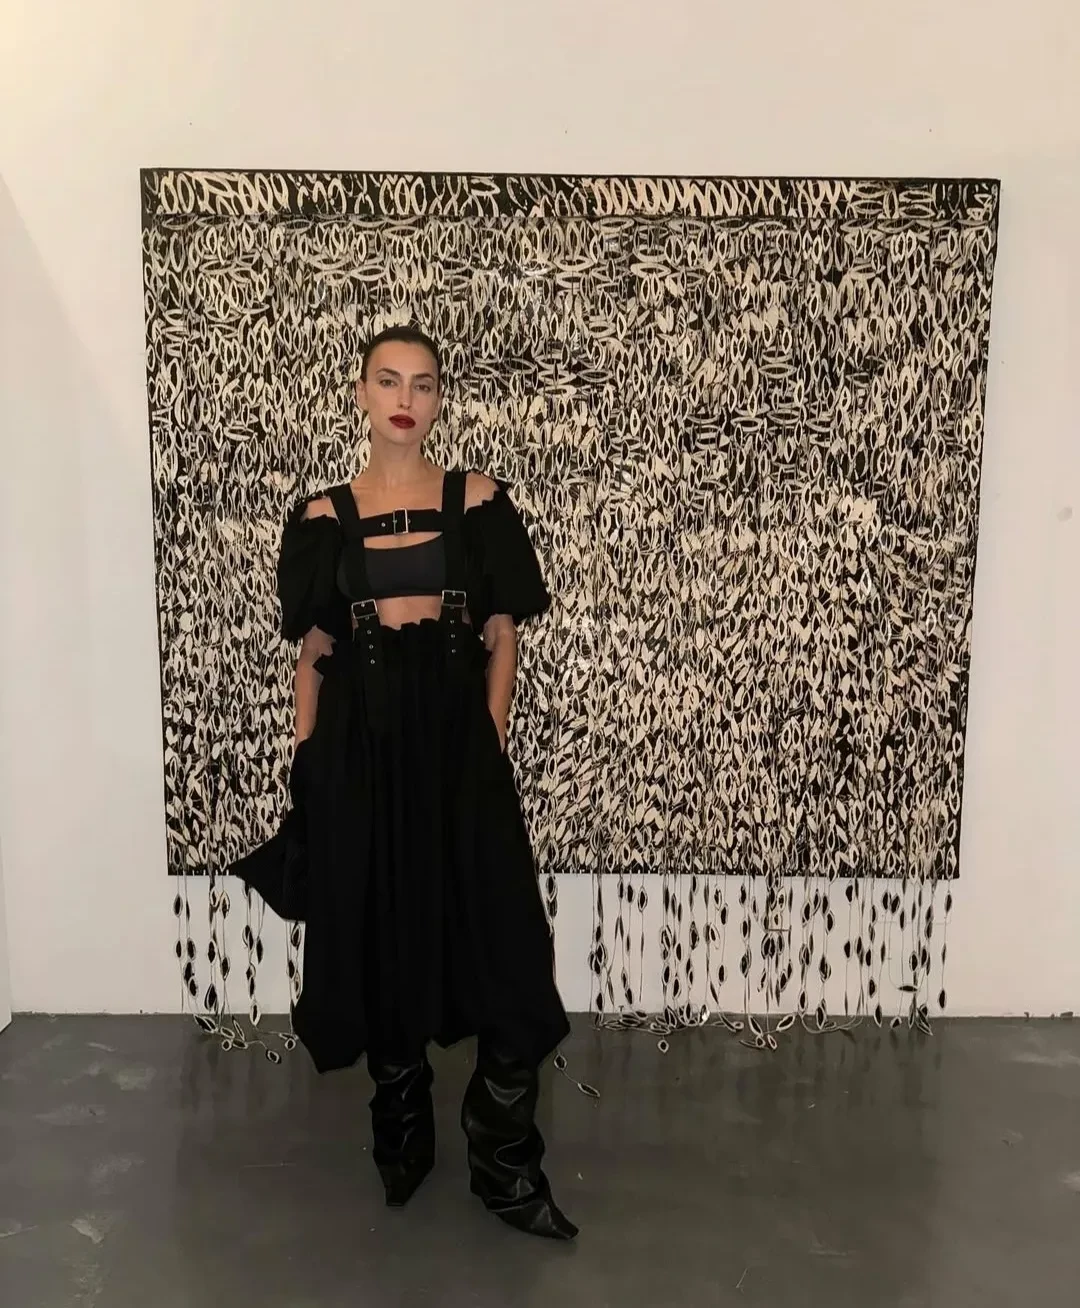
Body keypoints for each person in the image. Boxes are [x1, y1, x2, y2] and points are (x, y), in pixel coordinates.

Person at [233, 325, 577, 1240]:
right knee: (382, 930)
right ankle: (403, 1132)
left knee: (506, 941)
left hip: (457, 742)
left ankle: (505, 1163)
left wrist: (491, 734)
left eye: (423, 384)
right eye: (388, 380)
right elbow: (315, 651)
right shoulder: (321, 517)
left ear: (439, 400)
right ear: (360, 393)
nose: (405, 399)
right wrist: (309, 761)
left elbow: (502, 633)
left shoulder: (479, 500)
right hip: (360, 746)